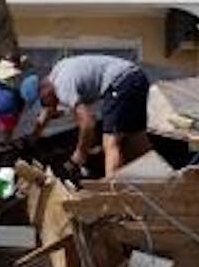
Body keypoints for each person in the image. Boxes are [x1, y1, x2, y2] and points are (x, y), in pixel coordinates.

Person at [23, 54, 151, 177]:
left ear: (44, 89)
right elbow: (49, 110)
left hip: (121, 83)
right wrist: (33, 137)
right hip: (137, 77)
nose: (43, 105)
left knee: (110, 142)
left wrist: (80, 154)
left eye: (42, 101)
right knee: (136, 134)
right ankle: (154, 177)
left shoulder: (62, 87)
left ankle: (113, 193)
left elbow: (88, 123)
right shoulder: (57, 73)